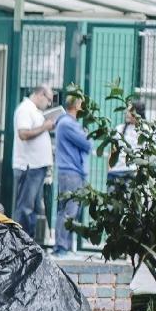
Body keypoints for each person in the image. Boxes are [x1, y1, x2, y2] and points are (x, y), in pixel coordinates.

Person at [11, 83, 60, 241]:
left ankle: (28, 241)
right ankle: (21, 243)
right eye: (49, 99)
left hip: (36, 167)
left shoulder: (34, 111)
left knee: (32, 207)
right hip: (29, 166)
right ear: (40, 94)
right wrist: (44, 127)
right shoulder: (25, 109)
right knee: (25, 207)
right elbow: (23, 134)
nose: (49, 104)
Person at [53, 91, 93, 254]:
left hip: (71, 171)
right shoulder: (67, 124)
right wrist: (87, 134)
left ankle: (65, 246)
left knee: (68, 209)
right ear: (76, 105)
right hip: (71, 172)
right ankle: (61, 247)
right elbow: (88, 143)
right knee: (70, 210)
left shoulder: (67, 123)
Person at [107, 101, 143, 193]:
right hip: (116, 172)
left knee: (130, 205)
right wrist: (109, 168)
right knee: (112, 204)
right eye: (127, 111)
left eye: (130, 111)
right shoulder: (119, 128)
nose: (127, 114)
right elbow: (113, 150)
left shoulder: (144, 131)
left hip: (131, 172)